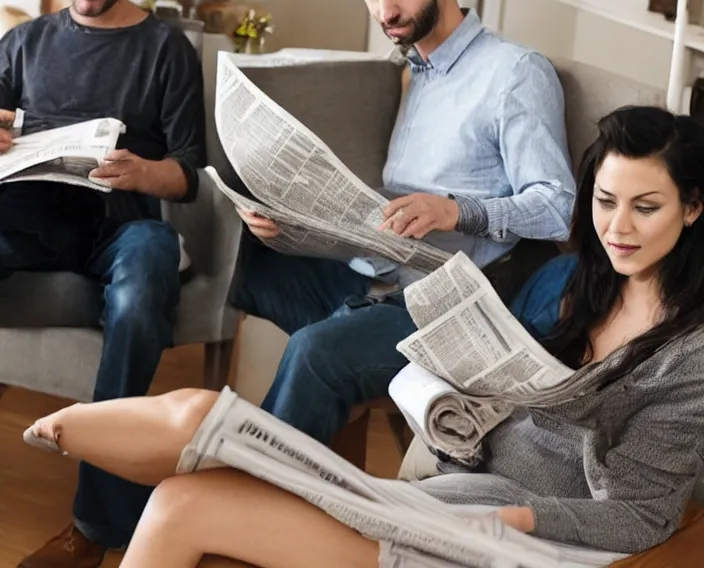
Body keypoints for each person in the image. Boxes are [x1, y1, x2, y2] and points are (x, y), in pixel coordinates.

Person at [21, 105, 704, 566]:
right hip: (457, 496)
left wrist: (515, 522)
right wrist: (457, 403)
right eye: (606, 202)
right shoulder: (578, 286)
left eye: (646, 208)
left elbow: (643, 517)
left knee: (186, 492)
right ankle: (136, 433)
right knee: (181, 481)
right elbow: (511, 403)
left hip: (511, 542)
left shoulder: (688, 355)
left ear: (694, 207)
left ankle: (94, 432)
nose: (618, 227)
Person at [228, 0, 576, 447]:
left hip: (441, 308)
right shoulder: (408, 67)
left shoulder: (514, 74)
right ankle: (315, 429)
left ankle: (250, 493)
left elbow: (558, 208)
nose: (384, 11)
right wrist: (292, 224)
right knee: (240, 262)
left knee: (314, 355)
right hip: (374, 276)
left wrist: (457, 211)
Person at [0, 0, 205, 568]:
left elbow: (188, 172)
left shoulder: (166, 49)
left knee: (145, 284)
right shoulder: (22, 44)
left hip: (123, 226)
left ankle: (98, 524)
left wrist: (142, 172)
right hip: (28, 218)